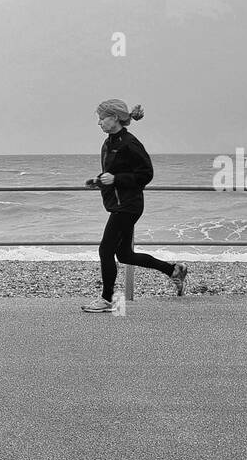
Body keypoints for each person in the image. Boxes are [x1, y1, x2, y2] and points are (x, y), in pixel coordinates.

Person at [80, 100, 187, 313]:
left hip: (128, 206)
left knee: (105, 250)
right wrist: (99, 181)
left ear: (115, 118)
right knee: (125, 255)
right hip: (119, 204)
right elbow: (114, 172)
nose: (99, 123)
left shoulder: (130, 143)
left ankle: (107, 300)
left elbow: (145, 174)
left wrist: (116, 179)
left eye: (102, 118)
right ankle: (174, 270)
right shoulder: (109, 142)